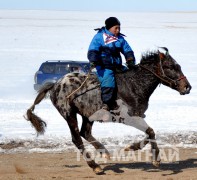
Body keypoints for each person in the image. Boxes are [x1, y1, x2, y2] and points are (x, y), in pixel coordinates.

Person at [87, 17, 136, 111]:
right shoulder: (99, 36)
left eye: (119, 28)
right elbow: (93, 49)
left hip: (117, 66)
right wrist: (93, 60)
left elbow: (127, 50)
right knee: (108, 81)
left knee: (130, 77)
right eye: (116, 28)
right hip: (104, 67)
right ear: (109, 28)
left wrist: (130, 60)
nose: (118, 30)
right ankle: (106, 105)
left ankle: (129, 103)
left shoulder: (120, 38)